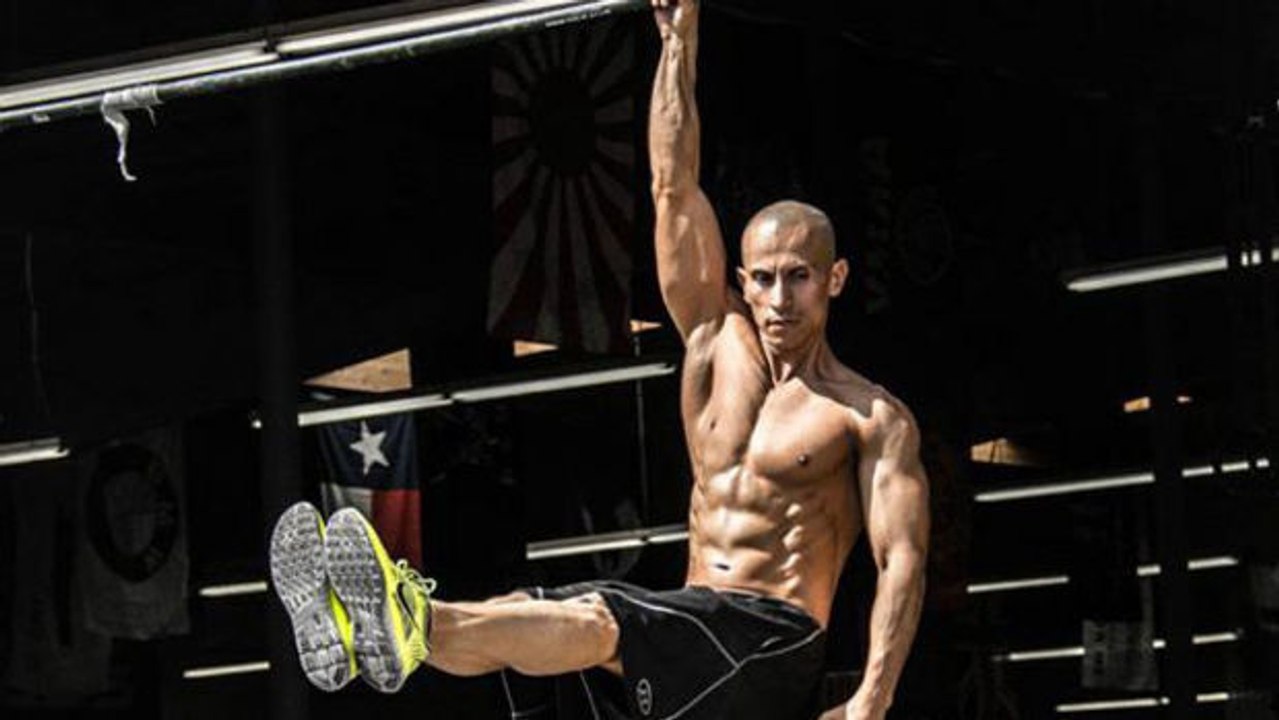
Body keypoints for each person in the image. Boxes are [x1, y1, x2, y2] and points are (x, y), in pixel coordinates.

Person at [270, 0, 929, 717]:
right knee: (540, 609)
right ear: (740, 280)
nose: (779, 298)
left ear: (833, 280)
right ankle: (375, 632)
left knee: (599, 619)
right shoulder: (714, 345)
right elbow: (671, 187)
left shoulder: (867, 415)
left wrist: (872, 697)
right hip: (695, 631)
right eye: (763, 277)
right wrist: (678, 41)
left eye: (798, 276)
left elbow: (902, 559)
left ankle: (406, 620)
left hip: (772, 640)